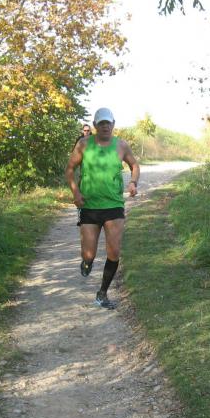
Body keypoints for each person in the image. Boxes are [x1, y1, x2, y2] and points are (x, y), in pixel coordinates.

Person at [65, 107, 140, 309]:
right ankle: (86, 262)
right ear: (95, 125)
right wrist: (76, 192)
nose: (105, 126)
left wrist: (133, 182)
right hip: (89, 205)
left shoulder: (121, 145)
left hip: (114, 205)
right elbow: (70, 169)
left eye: (108, 123)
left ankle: (102, 294)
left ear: (113, 124)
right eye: (101, 123)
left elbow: (134, 165)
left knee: (114, 251)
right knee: (88, 254)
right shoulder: (83, 144)